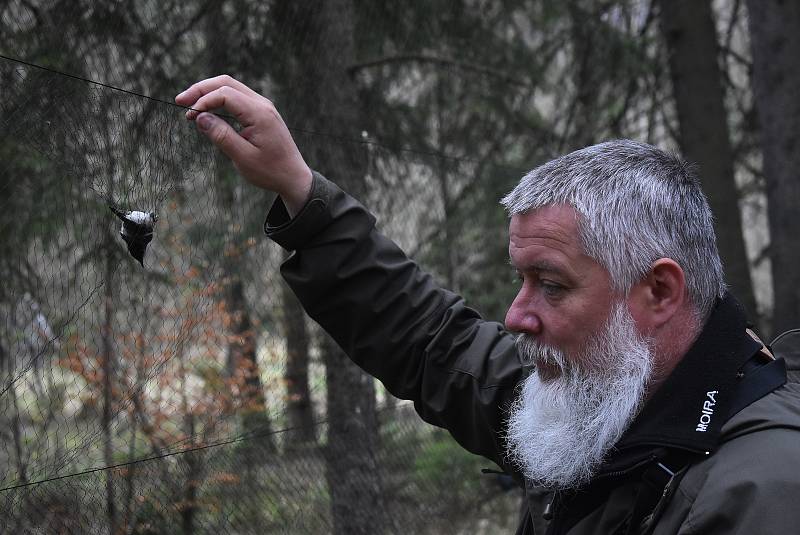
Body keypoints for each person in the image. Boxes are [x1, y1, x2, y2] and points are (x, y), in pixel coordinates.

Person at [176, 76, 800, 535]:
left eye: (551, 285)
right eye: (521, 279)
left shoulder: (761, 493)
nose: (516, 315)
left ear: (659, 291)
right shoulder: (600, 395)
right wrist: (299, 190)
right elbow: (435, 343)